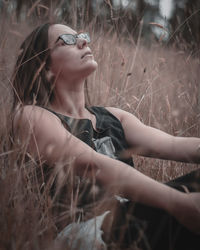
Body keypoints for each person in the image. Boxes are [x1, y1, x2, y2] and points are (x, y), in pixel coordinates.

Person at [12, 22, 200, 250]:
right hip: (82, 233)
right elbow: (92, 165)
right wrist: (180, 203)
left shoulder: (113, 116)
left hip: (132, 217)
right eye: (67, 41)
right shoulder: (31, 115)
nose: (83, 41)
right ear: (44, 66)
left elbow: (171, 144)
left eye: (81, 35)